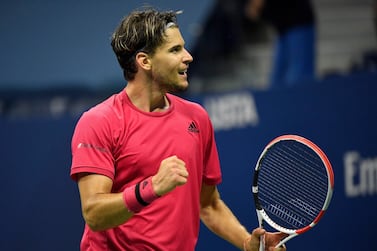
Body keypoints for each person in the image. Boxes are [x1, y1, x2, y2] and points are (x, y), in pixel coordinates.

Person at [70, 7, 287, 251]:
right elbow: (94, 214)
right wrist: (150, 188)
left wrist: (247, 243)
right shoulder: (100, 121)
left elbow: (209, 205)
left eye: (183, 47)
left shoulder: (197, 118)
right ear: (145, 61)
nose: (188, 56)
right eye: (175, 50)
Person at [245, 0, 316, 88]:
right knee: (278, 81)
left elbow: (254, 8)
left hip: (298, 23)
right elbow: (252, 12)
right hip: (283, 29)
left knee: (299, 78)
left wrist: (255, 7)